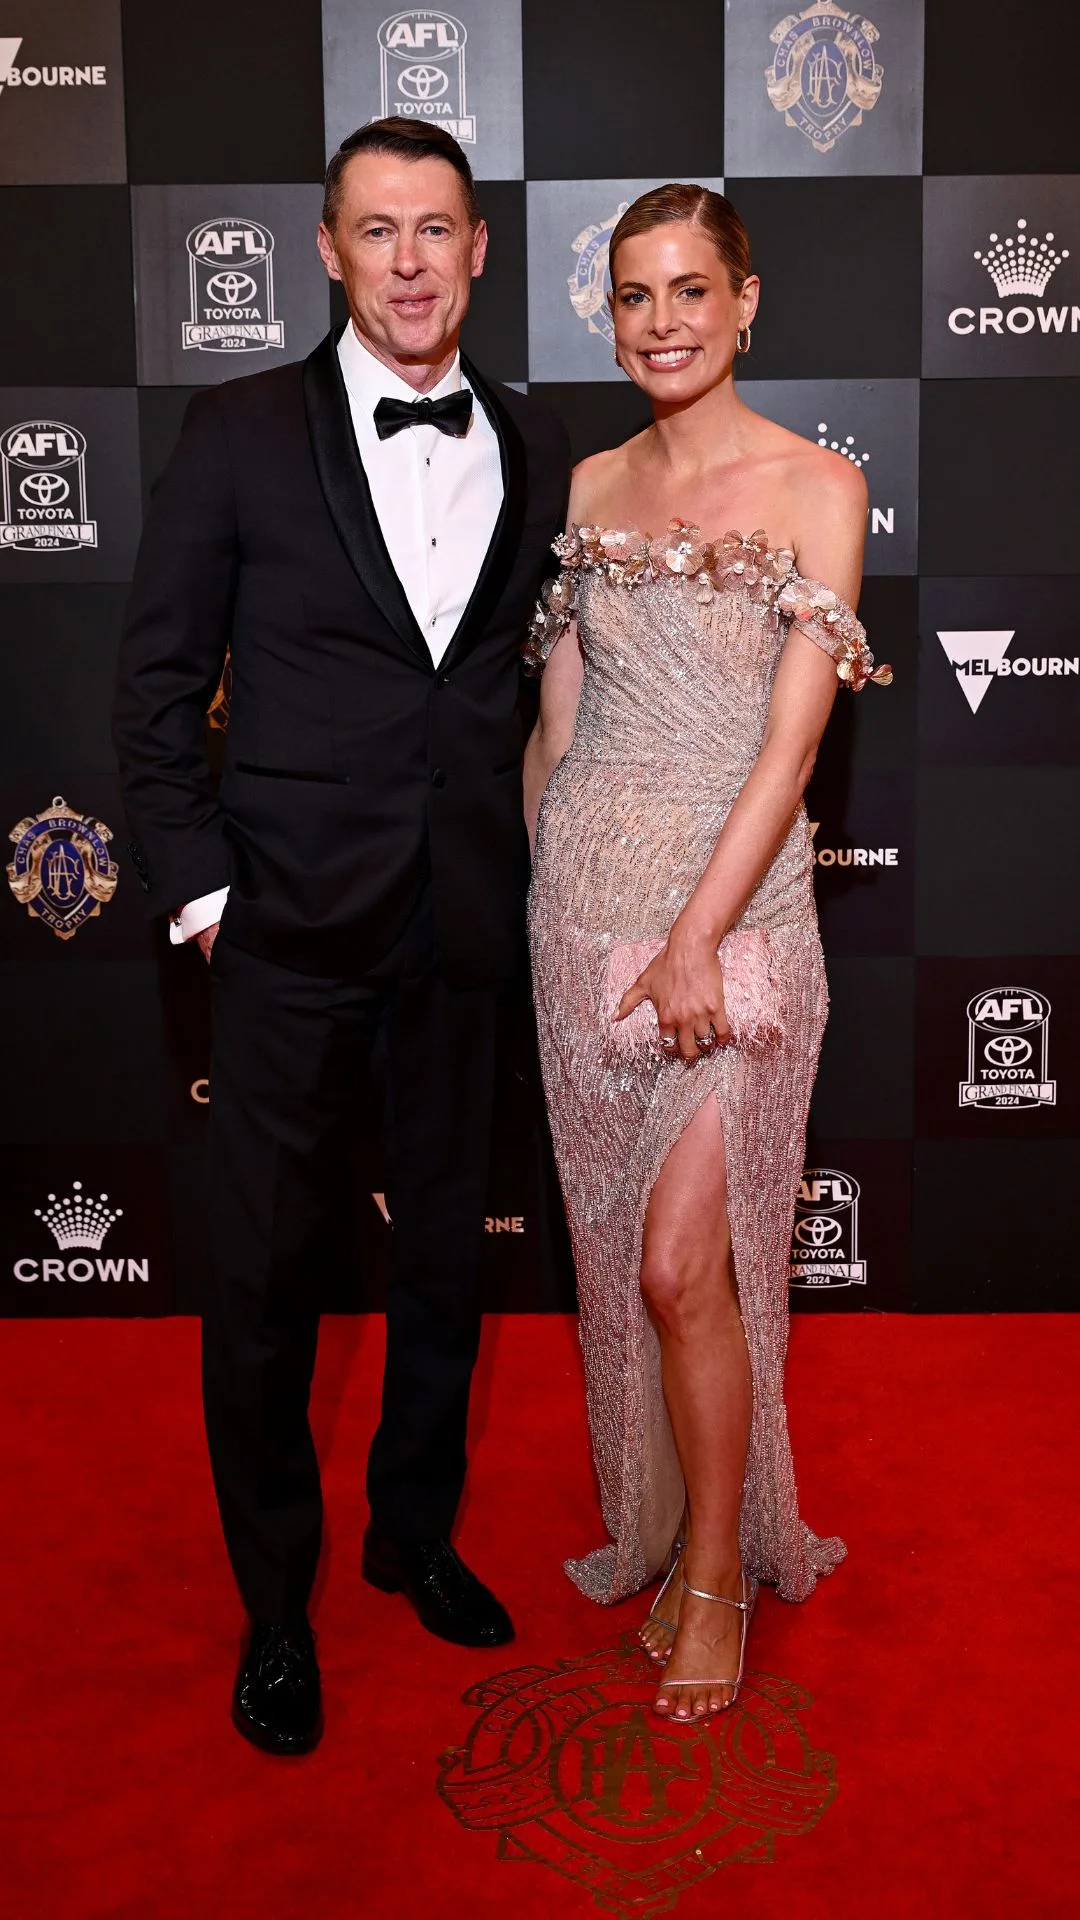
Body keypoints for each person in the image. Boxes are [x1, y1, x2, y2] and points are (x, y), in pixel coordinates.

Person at [113, 119, 570, 1756]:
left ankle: (413, 1534)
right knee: (264, 1283)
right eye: (378, 231)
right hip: (287, 932)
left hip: (464, 922)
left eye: (437, 228)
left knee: (447, 1251)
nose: (411, 259)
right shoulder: (236, 431)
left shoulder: (529, 437)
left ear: (479, 248)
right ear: (326, 250)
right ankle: (276, 1606)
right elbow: (158, 688)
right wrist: (210, 898)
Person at [523, 184, 890, 1725]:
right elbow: (560, 715)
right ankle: (666, 1530)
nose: (660, 320)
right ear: (607, 313)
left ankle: (724, 1578)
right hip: (581, 919)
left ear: (747, 302)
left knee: (686, 1264)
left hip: (729, 926)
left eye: (689, 289)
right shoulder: (596, 480)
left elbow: (792, 753)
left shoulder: (818, 487)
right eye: (632, 294)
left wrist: (691, 938)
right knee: (625, 1270)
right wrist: (550, 865)